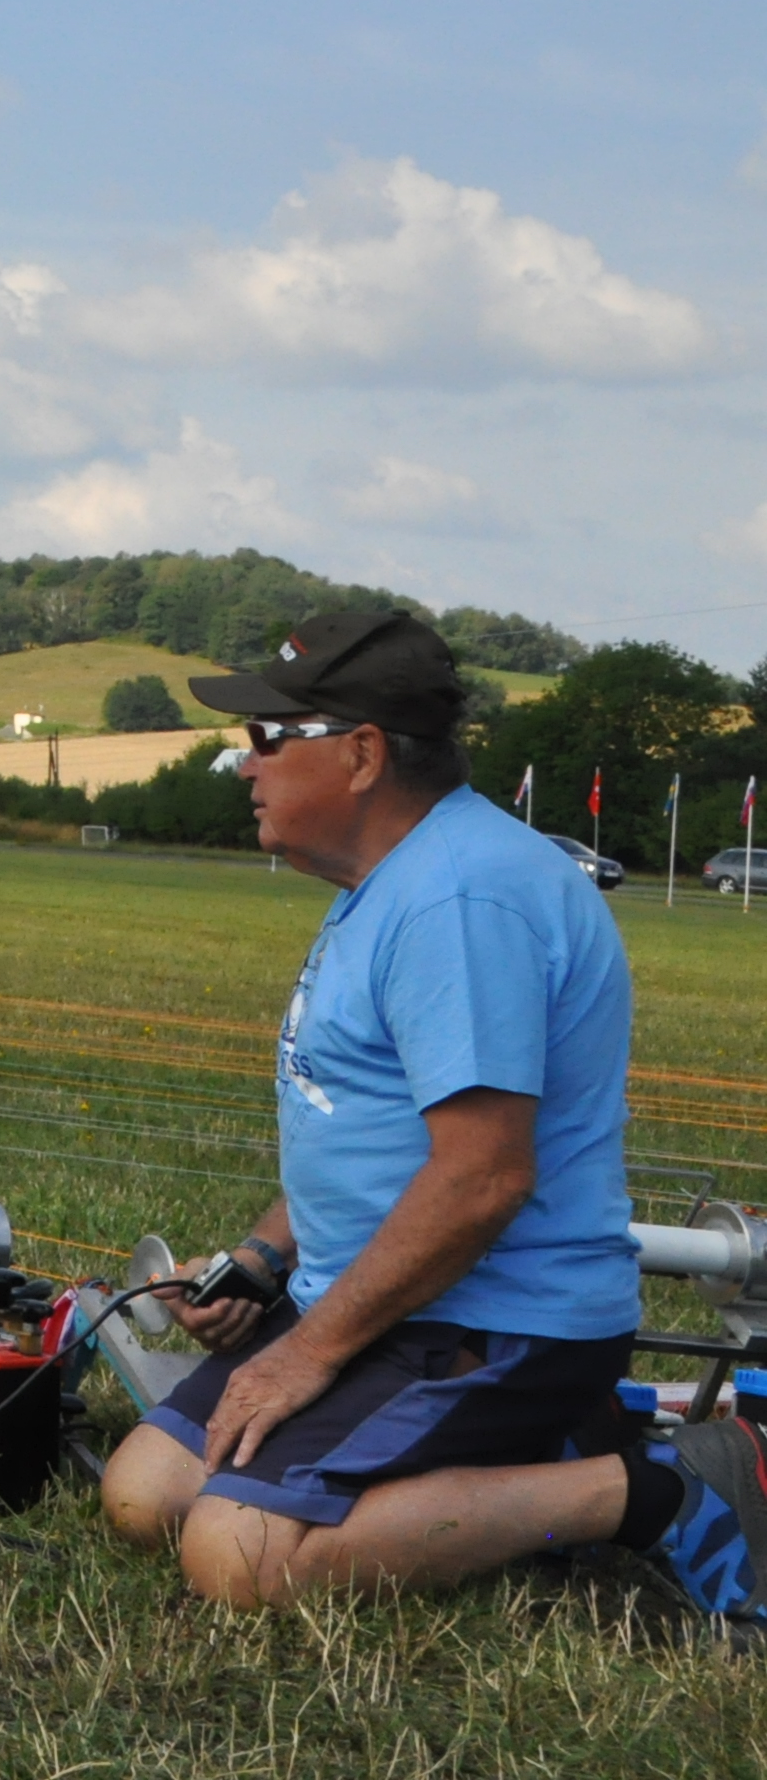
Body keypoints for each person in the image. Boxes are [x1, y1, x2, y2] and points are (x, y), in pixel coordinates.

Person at [97, 608, 762, 1627]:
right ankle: (518, 1471)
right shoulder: (394, 878)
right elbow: (366, 1120)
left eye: (269, 736)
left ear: (361, 753)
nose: (246, 765)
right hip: (381, 1303)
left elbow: (483, 1176)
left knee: (241, 1557)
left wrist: (305, 1350)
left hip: (492, 1326)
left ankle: (665, 1488)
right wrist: (262, 1259)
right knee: (143, 1494)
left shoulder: (460, 898)